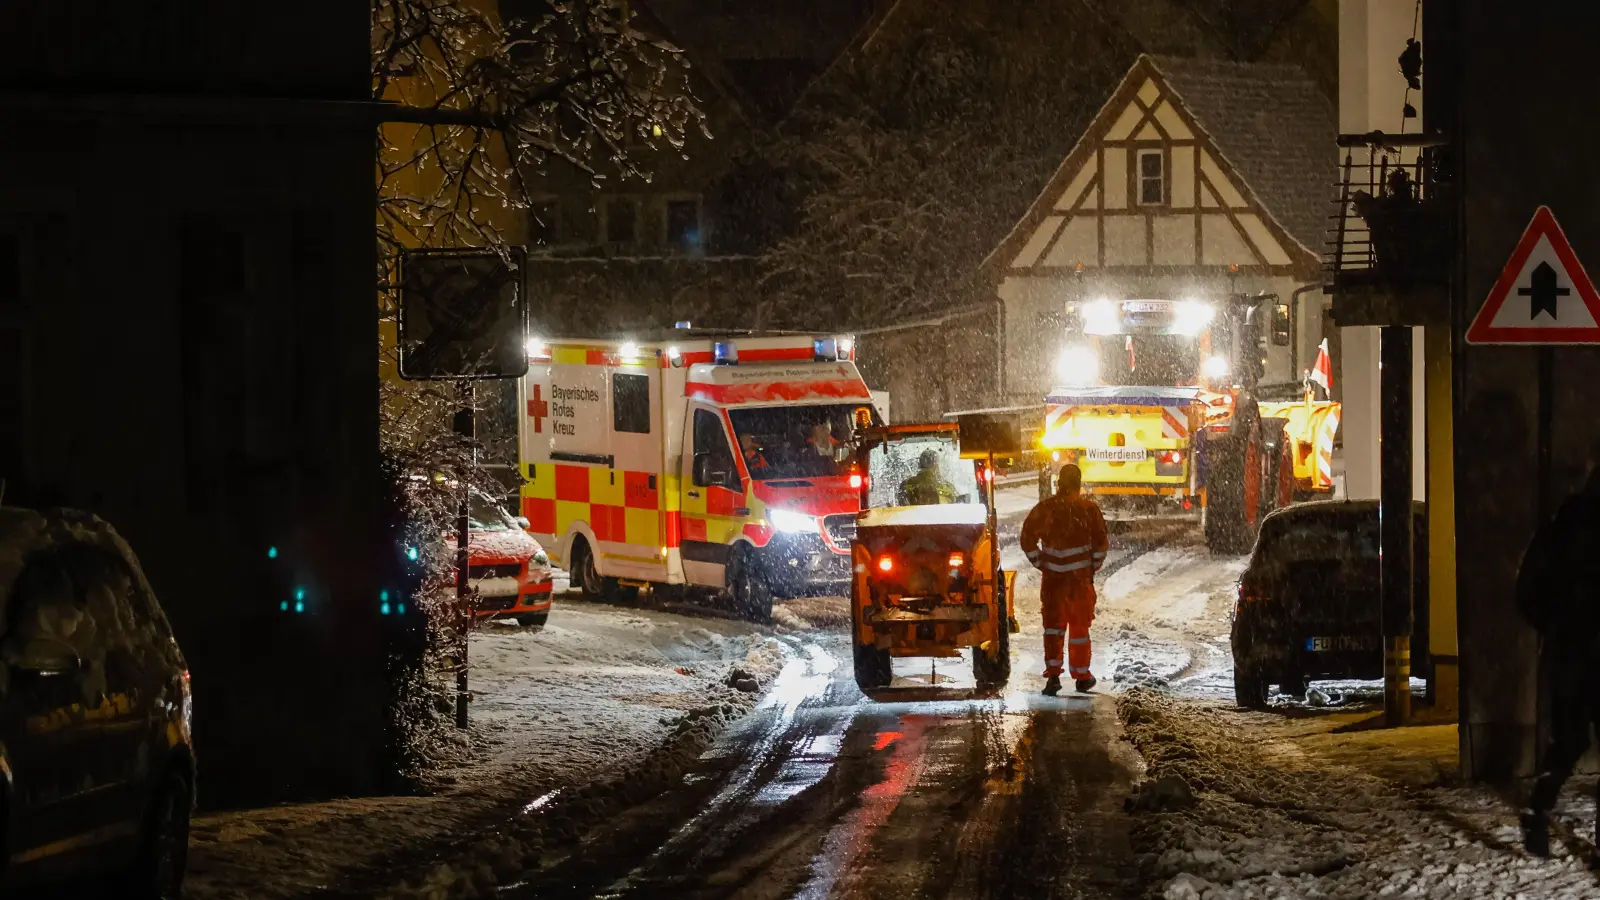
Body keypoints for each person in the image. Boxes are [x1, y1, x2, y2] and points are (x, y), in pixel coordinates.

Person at [1518, 466, 1600, 863]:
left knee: (1568, 741)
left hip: (1569, 651)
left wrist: (1554, 624)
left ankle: (1538, 808)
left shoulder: (1560, 528)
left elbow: (1527, 591)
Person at [1019, 464, 1108, 696]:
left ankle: (1054, 676)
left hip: (1053, 583)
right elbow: (1101, 544)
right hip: (1079, 583)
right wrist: (1090, 568)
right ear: (1078, 484)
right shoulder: (1089, 509)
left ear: (1059, 484)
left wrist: (1042, 564)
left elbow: (1027, 539)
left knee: (1053, 629)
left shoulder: (1046, 509)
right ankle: (1081, 677)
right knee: (1079, 630)